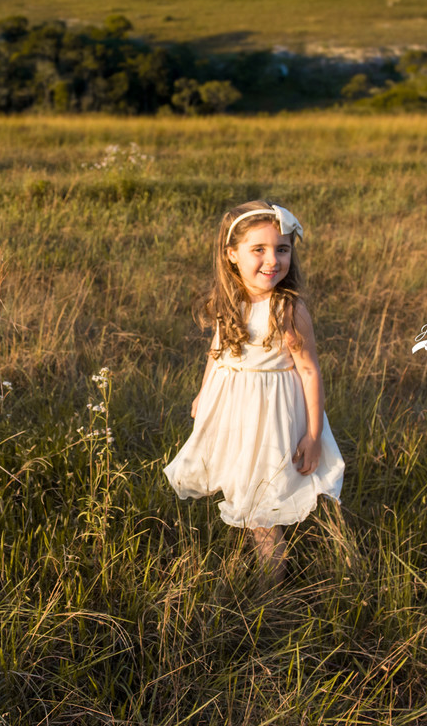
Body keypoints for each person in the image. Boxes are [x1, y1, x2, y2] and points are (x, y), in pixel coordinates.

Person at [164, 200, 344, 579]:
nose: (272, 260)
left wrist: (313, 436)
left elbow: (310, 372)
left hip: (273, 414)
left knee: (262, 504)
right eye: (258, 250)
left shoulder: (287, 309)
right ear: (231, 255)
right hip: (234, 410)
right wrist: (203, 392)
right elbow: (218, 350)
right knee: (242, 484)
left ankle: (271, 591)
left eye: (282, 249)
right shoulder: (227, 301)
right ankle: (266, 569)